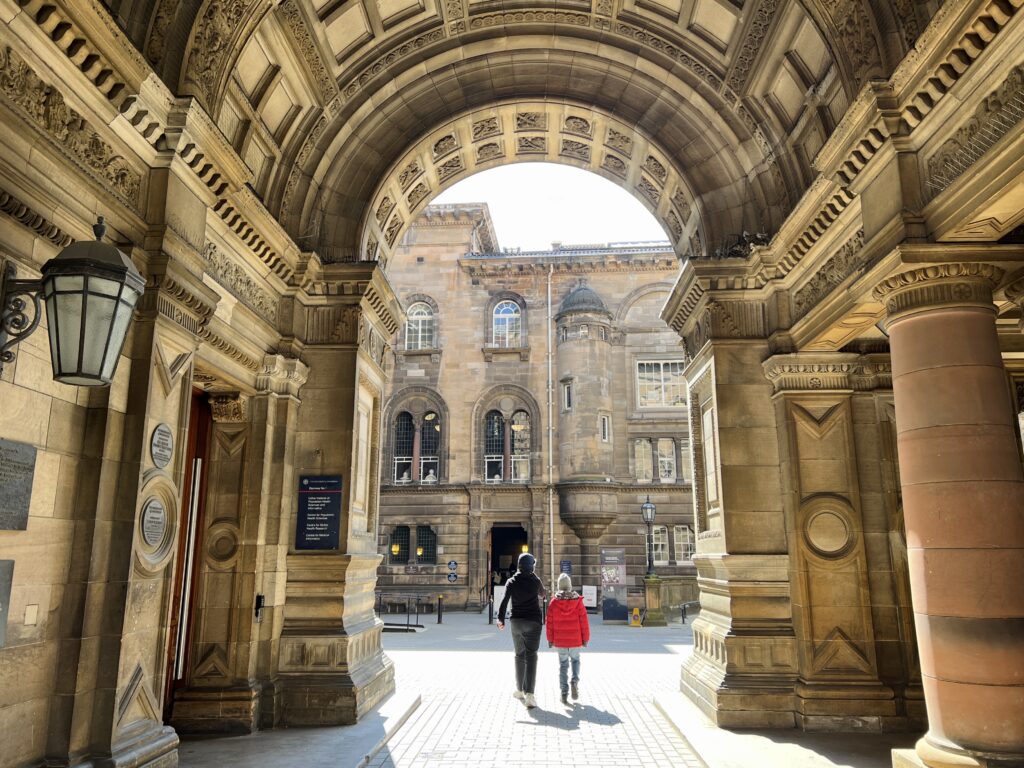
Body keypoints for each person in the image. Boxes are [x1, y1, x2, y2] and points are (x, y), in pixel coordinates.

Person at [496, 552, 546, 708]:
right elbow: (543, 594)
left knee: (519, 655)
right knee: (531, 655)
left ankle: (519, 690)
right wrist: (534, 576)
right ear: (532, 566)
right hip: (533, 622)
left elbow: (504, 601)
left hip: (517, 622)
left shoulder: (511, 581)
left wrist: (500, 619)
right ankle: (530, 695)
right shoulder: (535, 580)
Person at [546, 572, 590, 705]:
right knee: (576, 661)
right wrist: (585, 638)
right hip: (575, 640)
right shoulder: (578, 601)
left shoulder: (554, 602)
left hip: (561, 641)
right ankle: (574, 682)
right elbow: (584, 622)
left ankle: (564, 693)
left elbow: (550, 623)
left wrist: (550, 639)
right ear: (570, 586)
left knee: (563, 665)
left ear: (559, 586)